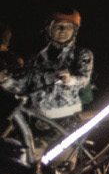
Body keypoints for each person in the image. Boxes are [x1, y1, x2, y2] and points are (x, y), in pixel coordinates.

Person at [1, 9, 94, 137]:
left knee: (62, 156)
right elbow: (23, 85)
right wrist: (5, 80)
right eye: (57, 26)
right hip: (36, 118)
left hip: (66, 119)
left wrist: (70, 79)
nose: (63, 31)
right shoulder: (37, 57)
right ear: (48, 29)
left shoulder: (82, 54)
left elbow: (84, 79)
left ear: (75, 31)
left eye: (68, 27)